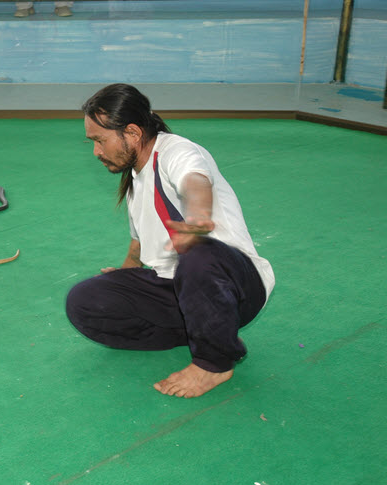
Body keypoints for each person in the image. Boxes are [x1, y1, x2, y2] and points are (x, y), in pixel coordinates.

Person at [66, 83, 275, 398]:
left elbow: (195, 180)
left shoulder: (175, 150)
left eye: (100, 140)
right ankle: (210, 331)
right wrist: (125, 275)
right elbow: (138, 243)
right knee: (84, 302)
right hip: (181, 288)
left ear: (133, 133)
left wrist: (198, 216)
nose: (96, 151)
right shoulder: (136, 178)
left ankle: (215, 362)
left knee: (197, 254)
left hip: (236, 284)